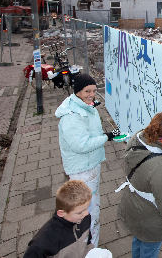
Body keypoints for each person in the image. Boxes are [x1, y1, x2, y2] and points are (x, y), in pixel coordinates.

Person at [56, 74, 119, 246]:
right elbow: (81, 145)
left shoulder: (81, 106)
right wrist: (107, 137)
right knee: (89, 213)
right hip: (83, 169)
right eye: (87, 91)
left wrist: (91, 107)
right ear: (77, 91)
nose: (91, 94)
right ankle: (89, 248)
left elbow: (87, 132)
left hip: (88, 165)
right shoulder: (72, 116)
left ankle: (87, 243)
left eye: (94, 90)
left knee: (88, 209)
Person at [117, 112, 162, 258]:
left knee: (138, 241)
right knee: (149, 251)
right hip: (150, 220)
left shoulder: (138, 138)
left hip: (133, 207)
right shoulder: (161, 165)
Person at [24, 180, 97, 257]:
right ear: (61, 213)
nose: (87, 213)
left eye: (87, 208)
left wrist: (91, 251)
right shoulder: (42, 242)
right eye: (79, 212)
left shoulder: (84, 218)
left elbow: (87, 240)